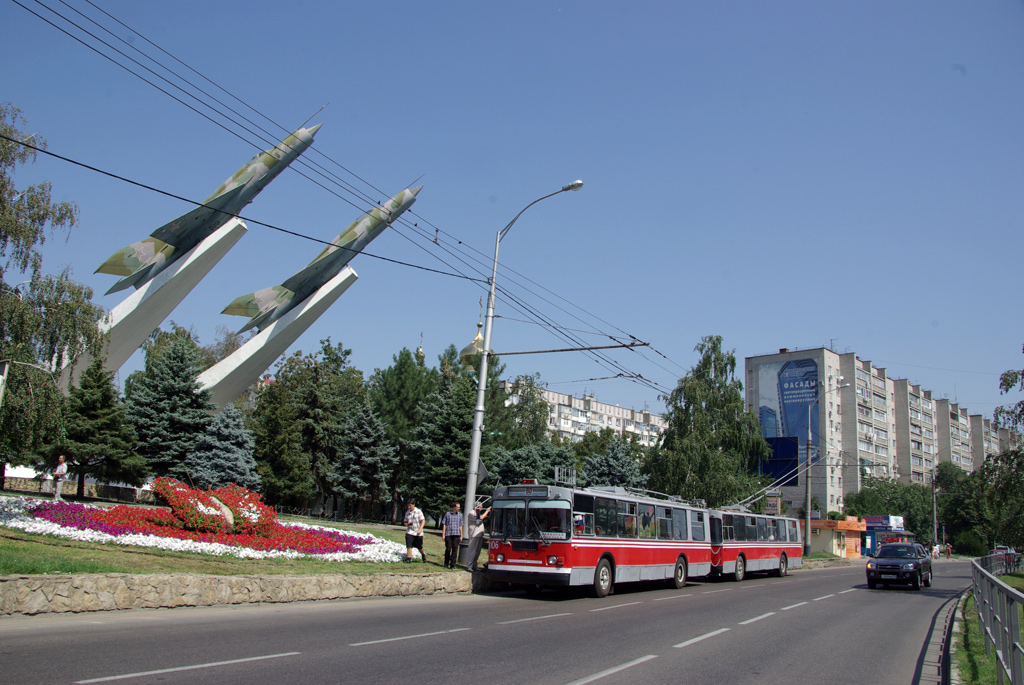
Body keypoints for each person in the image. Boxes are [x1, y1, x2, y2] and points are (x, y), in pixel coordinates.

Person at [465, 502, 491, 572]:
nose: (481, 508)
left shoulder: (477, 513)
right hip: (474, 534)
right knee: (472, 550)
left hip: (479, 535)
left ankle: (474, 565)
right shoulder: (472, 513)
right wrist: (487, 511)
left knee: (477, 551)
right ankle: (469, 566)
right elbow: (481, 518)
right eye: (480, 507)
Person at [440, 502, 463, 569]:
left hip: (456, 534)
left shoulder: (460, 515)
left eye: (459, 507)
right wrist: (443, 534)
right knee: (448, 548)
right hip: (449, 534)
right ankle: (446, 563)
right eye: (457, 507)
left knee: (455, 549)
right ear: (454, 507)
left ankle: (453, 565)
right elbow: (444, 524)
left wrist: (461, 535)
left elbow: (461, 525)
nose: (458, 508)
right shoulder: (448, 514)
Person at [403, 499, 426, 563]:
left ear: (414, 505)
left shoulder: (418, 511)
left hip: (418, 532)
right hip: (410, 531)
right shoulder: (407, 512)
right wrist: (407, 524)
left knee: (419, 546)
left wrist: (420, 529)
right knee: (409, 545)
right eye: (408, 505)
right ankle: (409, 558)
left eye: (410, 505)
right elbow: (405, 521)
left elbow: (423, 521)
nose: (409, 507)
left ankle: (423, 555)